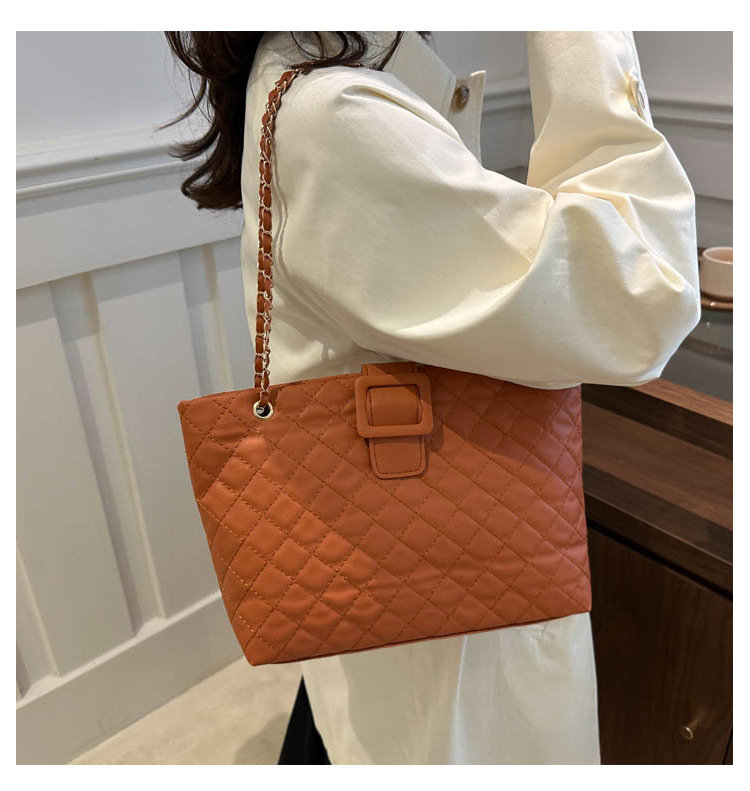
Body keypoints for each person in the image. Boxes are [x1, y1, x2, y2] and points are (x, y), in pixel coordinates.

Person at [165, 30, 700, 765]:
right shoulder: (338, 116)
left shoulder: (316, 84)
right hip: (447, 670)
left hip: (416, 632)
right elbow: (643, 298)